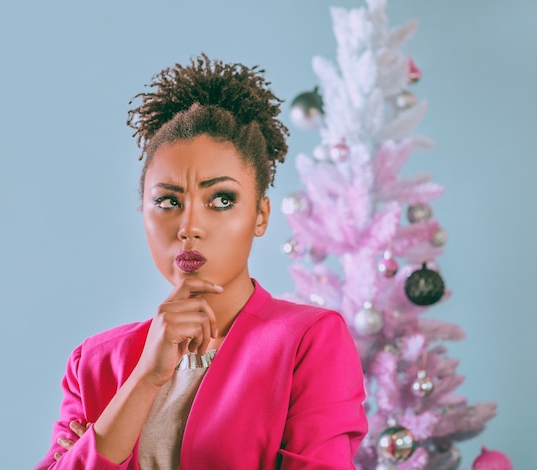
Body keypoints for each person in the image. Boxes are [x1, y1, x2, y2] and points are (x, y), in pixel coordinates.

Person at [35, 54, 367, 470]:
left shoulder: (307, 342)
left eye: (221, 200)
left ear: (260, 215)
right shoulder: (96, 363)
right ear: (143, 211)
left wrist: (96, 446)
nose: (189, 226)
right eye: (168, 201)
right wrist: (145, 378)